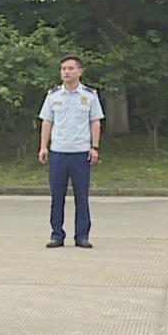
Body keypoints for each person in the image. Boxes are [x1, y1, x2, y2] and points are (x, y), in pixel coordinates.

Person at [37, 55, 102, 249]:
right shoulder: (53, 96)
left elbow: (95, 122)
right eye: (63, 68)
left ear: (79, 72)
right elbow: (47, 122)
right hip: (58, 153)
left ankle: (82, 236)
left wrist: (95, 147)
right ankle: (57, 235)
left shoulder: (89, 95)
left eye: (70, 68)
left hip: (81, 153)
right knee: (57, 196)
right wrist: (43, 147)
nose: (66, 72)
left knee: (81, 196)